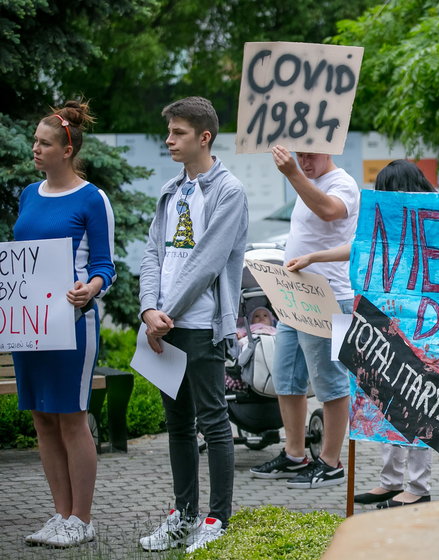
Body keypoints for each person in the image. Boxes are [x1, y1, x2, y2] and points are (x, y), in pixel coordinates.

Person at [284, 160, 435, 508]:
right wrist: (314, 257)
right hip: (385, 324)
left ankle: (418, 487)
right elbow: (359, 247)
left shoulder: (427, 222)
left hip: (416, 327)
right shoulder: (387, 221)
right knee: (385, 402)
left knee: (415, 405)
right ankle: (391, 480)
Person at [138, 96, 248, 552]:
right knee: (178, 425)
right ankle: (182, 515)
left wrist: (168, 313)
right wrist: (148, 309)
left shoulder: (229, 191)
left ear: (204, 137)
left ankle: (216, 519)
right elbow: (151, 254)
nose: (169, 140)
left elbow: (206, 262)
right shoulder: (170, 190)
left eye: (178, 132)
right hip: (162, 324)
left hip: (201, 324)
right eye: (169, 131)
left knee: (214, 423)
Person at [12, 100, 116, 548]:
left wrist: (89, 289)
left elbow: (105, 265)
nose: (35, 148)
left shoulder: (92, 198)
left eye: (44, 143)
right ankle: (60, 514)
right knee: (42, 418)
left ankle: (82, 518)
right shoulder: (29, 194)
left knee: (71, 418)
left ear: (67, 150)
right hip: (28, 325)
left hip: (71, 322)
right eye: (35, 141)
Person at [249, 146, 359, 489]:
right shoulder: (308, 179)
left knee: (330, 381)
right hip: (294, 294)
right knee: (286, 377)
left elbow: (329, 211)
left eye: (311, 155)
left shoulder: (342, 183)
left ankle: (330, 461)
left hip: (329, 296)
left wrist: (293, 173)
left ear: (328, 151)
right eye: (300, 156)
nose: (304, 162)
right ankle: (295, 453)